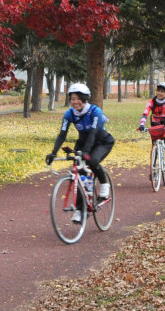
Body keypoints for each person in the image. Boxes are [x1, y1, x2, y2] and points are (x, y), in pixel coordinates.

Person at [45, 82, 115, 223]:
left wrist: (86, 153)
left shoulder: (95, 111)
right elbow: (62, 134)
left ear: (85, 98)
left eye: (78, 98)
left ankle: (104, 186)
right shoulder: (69, 114)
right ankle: (80, 209)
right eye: (72, 99)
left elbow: (94, 133)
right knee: (79, 173)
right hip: (83, 142)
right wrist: (53, 152)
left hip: (102, 141)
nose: (75, 102)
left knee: (92, 160)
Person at [138, 82, 165, 163]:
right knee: (154, 145)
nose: (159, 93)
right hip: (155, 123)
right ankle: (153, 167)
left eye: (162, 91)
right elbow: (145, 114)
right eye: (158, 90)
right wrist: (142, 124)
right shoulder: (152, 102)